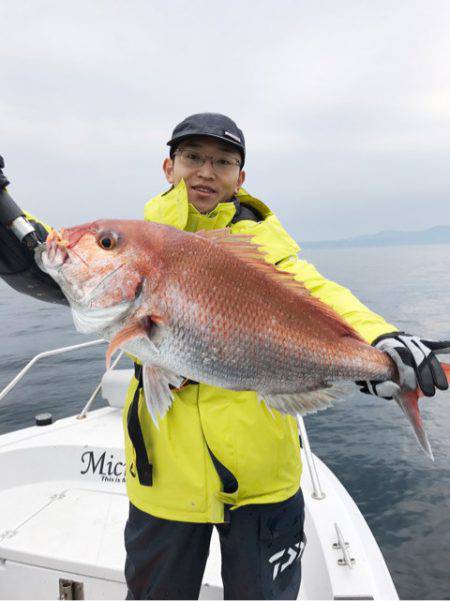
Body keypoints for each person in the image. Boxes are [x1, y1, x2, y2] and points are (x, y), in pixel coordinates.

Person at [0, 113, 448, 600]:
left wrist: (381, 339)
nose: (206, 172)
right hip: (163, 487)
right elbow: (38, 250)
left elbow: (323, 295)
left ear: (241, 177)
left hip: (263, 483)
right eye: (192, 157)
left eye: (222, 161)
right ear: (169, 167)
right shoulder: (144, 245)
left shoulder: (269, 252)